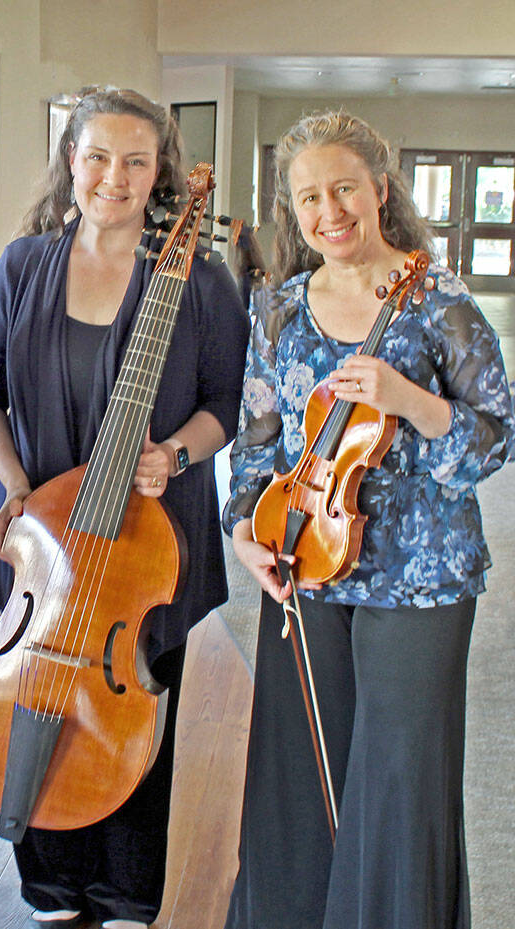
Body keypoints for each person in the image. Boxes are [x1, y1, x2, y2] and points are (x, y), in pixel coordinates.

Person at [222, 111, 514, 929]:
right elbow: (256, 442)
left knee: (396, 783)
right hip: (307, 562)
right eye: (309, 197)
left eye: (344, 186)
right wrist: (246, 533)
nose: (330, 210)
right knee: (298, 779)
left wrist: (413, 404)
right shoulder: (278, 308)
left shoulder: (440, 302)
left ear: (380, 189)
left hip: (421, 581)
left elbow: (497, 436)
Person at [0, 87, 249, 929]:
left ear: (159, 170)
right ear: (71, 161)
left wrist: (176, 454)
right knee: (36, 700)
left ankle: (128, 896)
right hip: (39, 540)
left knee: (133, 713)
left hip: (144, 542)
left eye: (135, 160)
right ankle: (51, 889)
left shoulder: (198, 282)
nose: (114, 177)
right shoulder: (22, 265)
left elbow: (223, 403)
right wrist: (14, 481)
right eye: (98, 157)